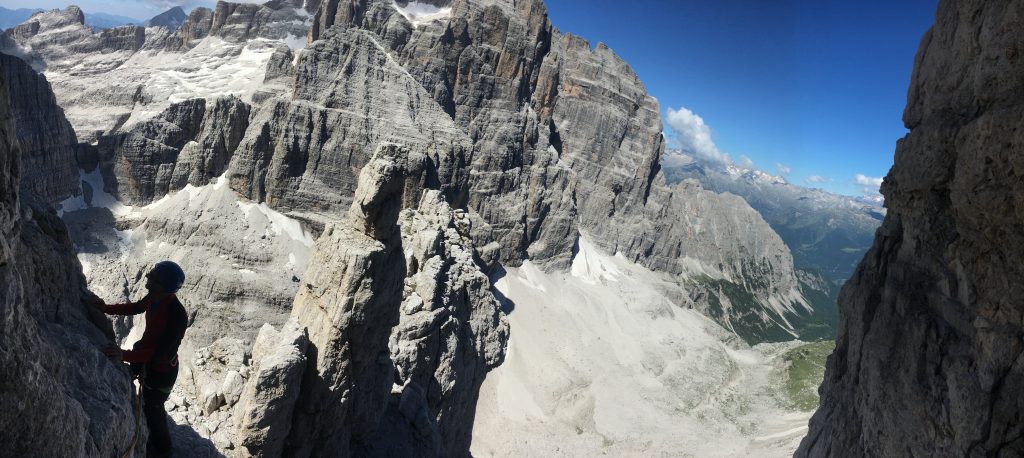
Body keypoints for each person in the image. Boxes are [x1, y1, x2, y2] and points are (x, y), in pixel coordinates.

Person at [94, 261, 188, 458]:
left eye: (152, 277)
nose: (148, 278)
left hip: (162, 372)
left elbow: (161, 353)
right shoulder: (155, 298)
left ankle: (164, 449)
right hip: (146, 357)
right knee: (146, 401)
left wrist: (124, 355)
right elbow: (136, 308)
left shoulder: (177, 315)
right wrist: (106, 308)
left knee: (154, 408)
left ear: (162, 285)